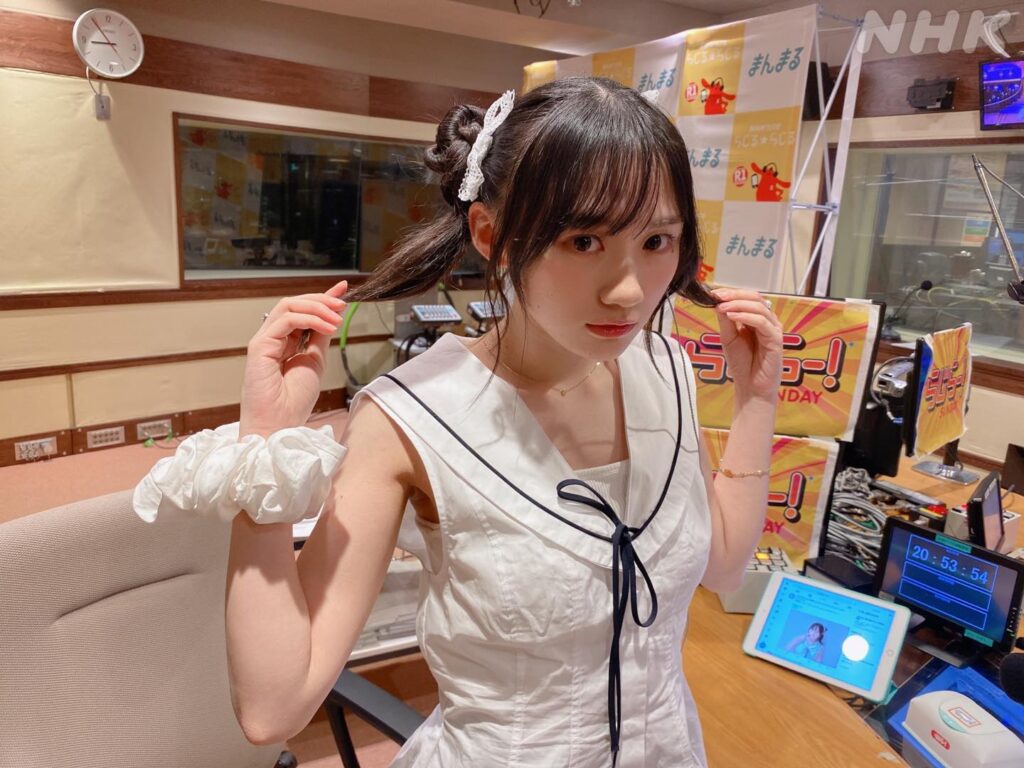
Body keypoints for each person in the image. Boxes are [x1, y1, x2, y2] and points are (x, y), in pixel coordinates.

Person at [200, 76, 782, 767]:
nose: (629, 289)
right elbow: (274, 708)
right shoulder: (410, 416)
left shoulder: (666, 369)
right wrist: (264, 445)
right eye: (584, 241)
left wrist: (756, 402)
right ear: (492, 235)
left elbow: (724, 566)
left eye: (657, 240)